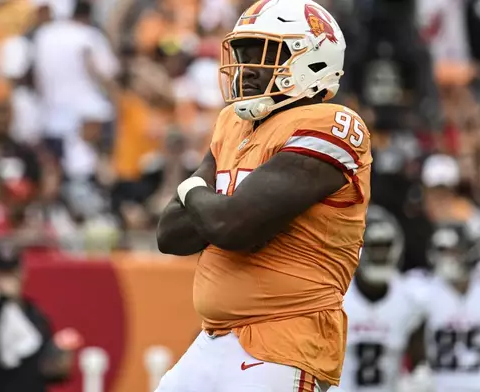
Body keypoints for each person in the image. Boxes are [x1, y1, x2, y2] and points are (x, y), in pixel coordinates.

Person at [155, 1, 372, 391]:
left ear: (313, 60)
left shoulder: (332, 125)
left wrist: (191, 189)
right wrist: (210, 202)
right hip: (216, 338)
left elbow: (231, 226)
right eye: (244, 54)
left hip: (285, 339)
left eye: (265, 54)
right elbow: (171, 235)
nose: (248, 68)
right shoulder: (233, 122)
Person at [403, 221, 480, 392]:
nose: (446, 258)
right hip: (435, 386)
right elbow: (402, 335)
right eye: (442, 251)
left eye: (452, 251)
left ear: (470, 251)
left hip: (479, 386)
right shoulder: (423, 288)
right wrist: (418, 368)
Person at [340, 204, 421, 392]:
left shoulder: (410, 298)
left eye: (386, 246)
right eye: (374, 246)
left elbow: (420, 361)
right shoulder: (337, 297)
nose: (380, 254)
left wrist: (417, 377)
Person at [0, 243, 81, 392]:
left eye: (12, 272)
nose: (8, 279)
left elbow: (42, 369)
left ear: (22, 272)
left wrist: (60, 364)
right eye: (3, 273)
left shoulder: (34, 313)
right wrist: (2, 301)